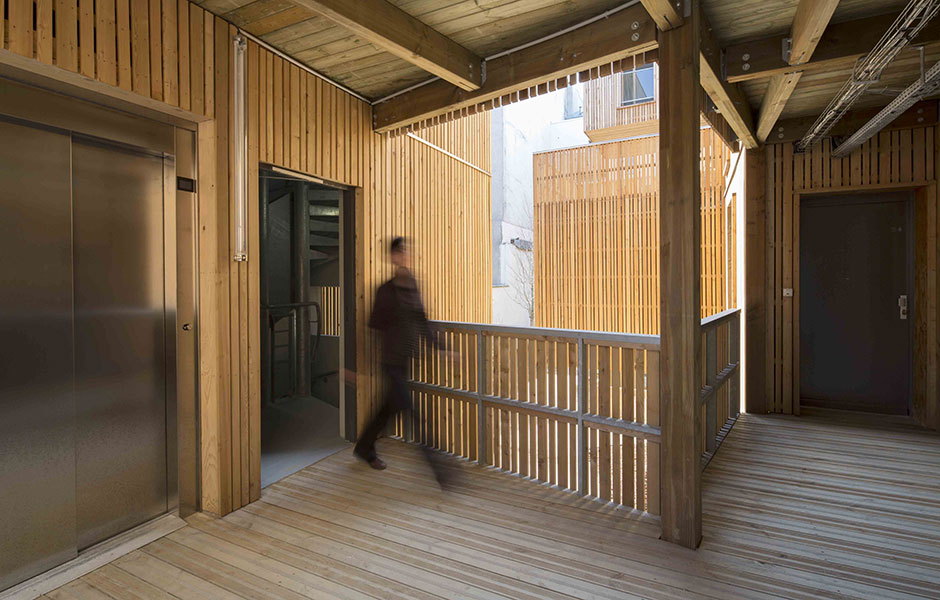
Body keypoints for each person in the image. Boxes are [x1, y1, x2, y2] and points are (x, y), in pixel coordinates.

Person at [354, 237, 452, 485]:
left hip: (406, 360)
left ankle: (364, 448)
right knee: (410, 410)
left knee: (387, 410)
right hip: (390, 361)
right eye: (401, 252)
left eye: (407, 251)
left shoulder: (413, 285)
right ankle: (441, 470)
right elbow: (373, 327)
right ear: (392, 257)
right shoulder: (385, 291)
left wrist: (441, 348)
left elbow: (422, 320)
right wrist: (362, 366)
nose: (405, 255)